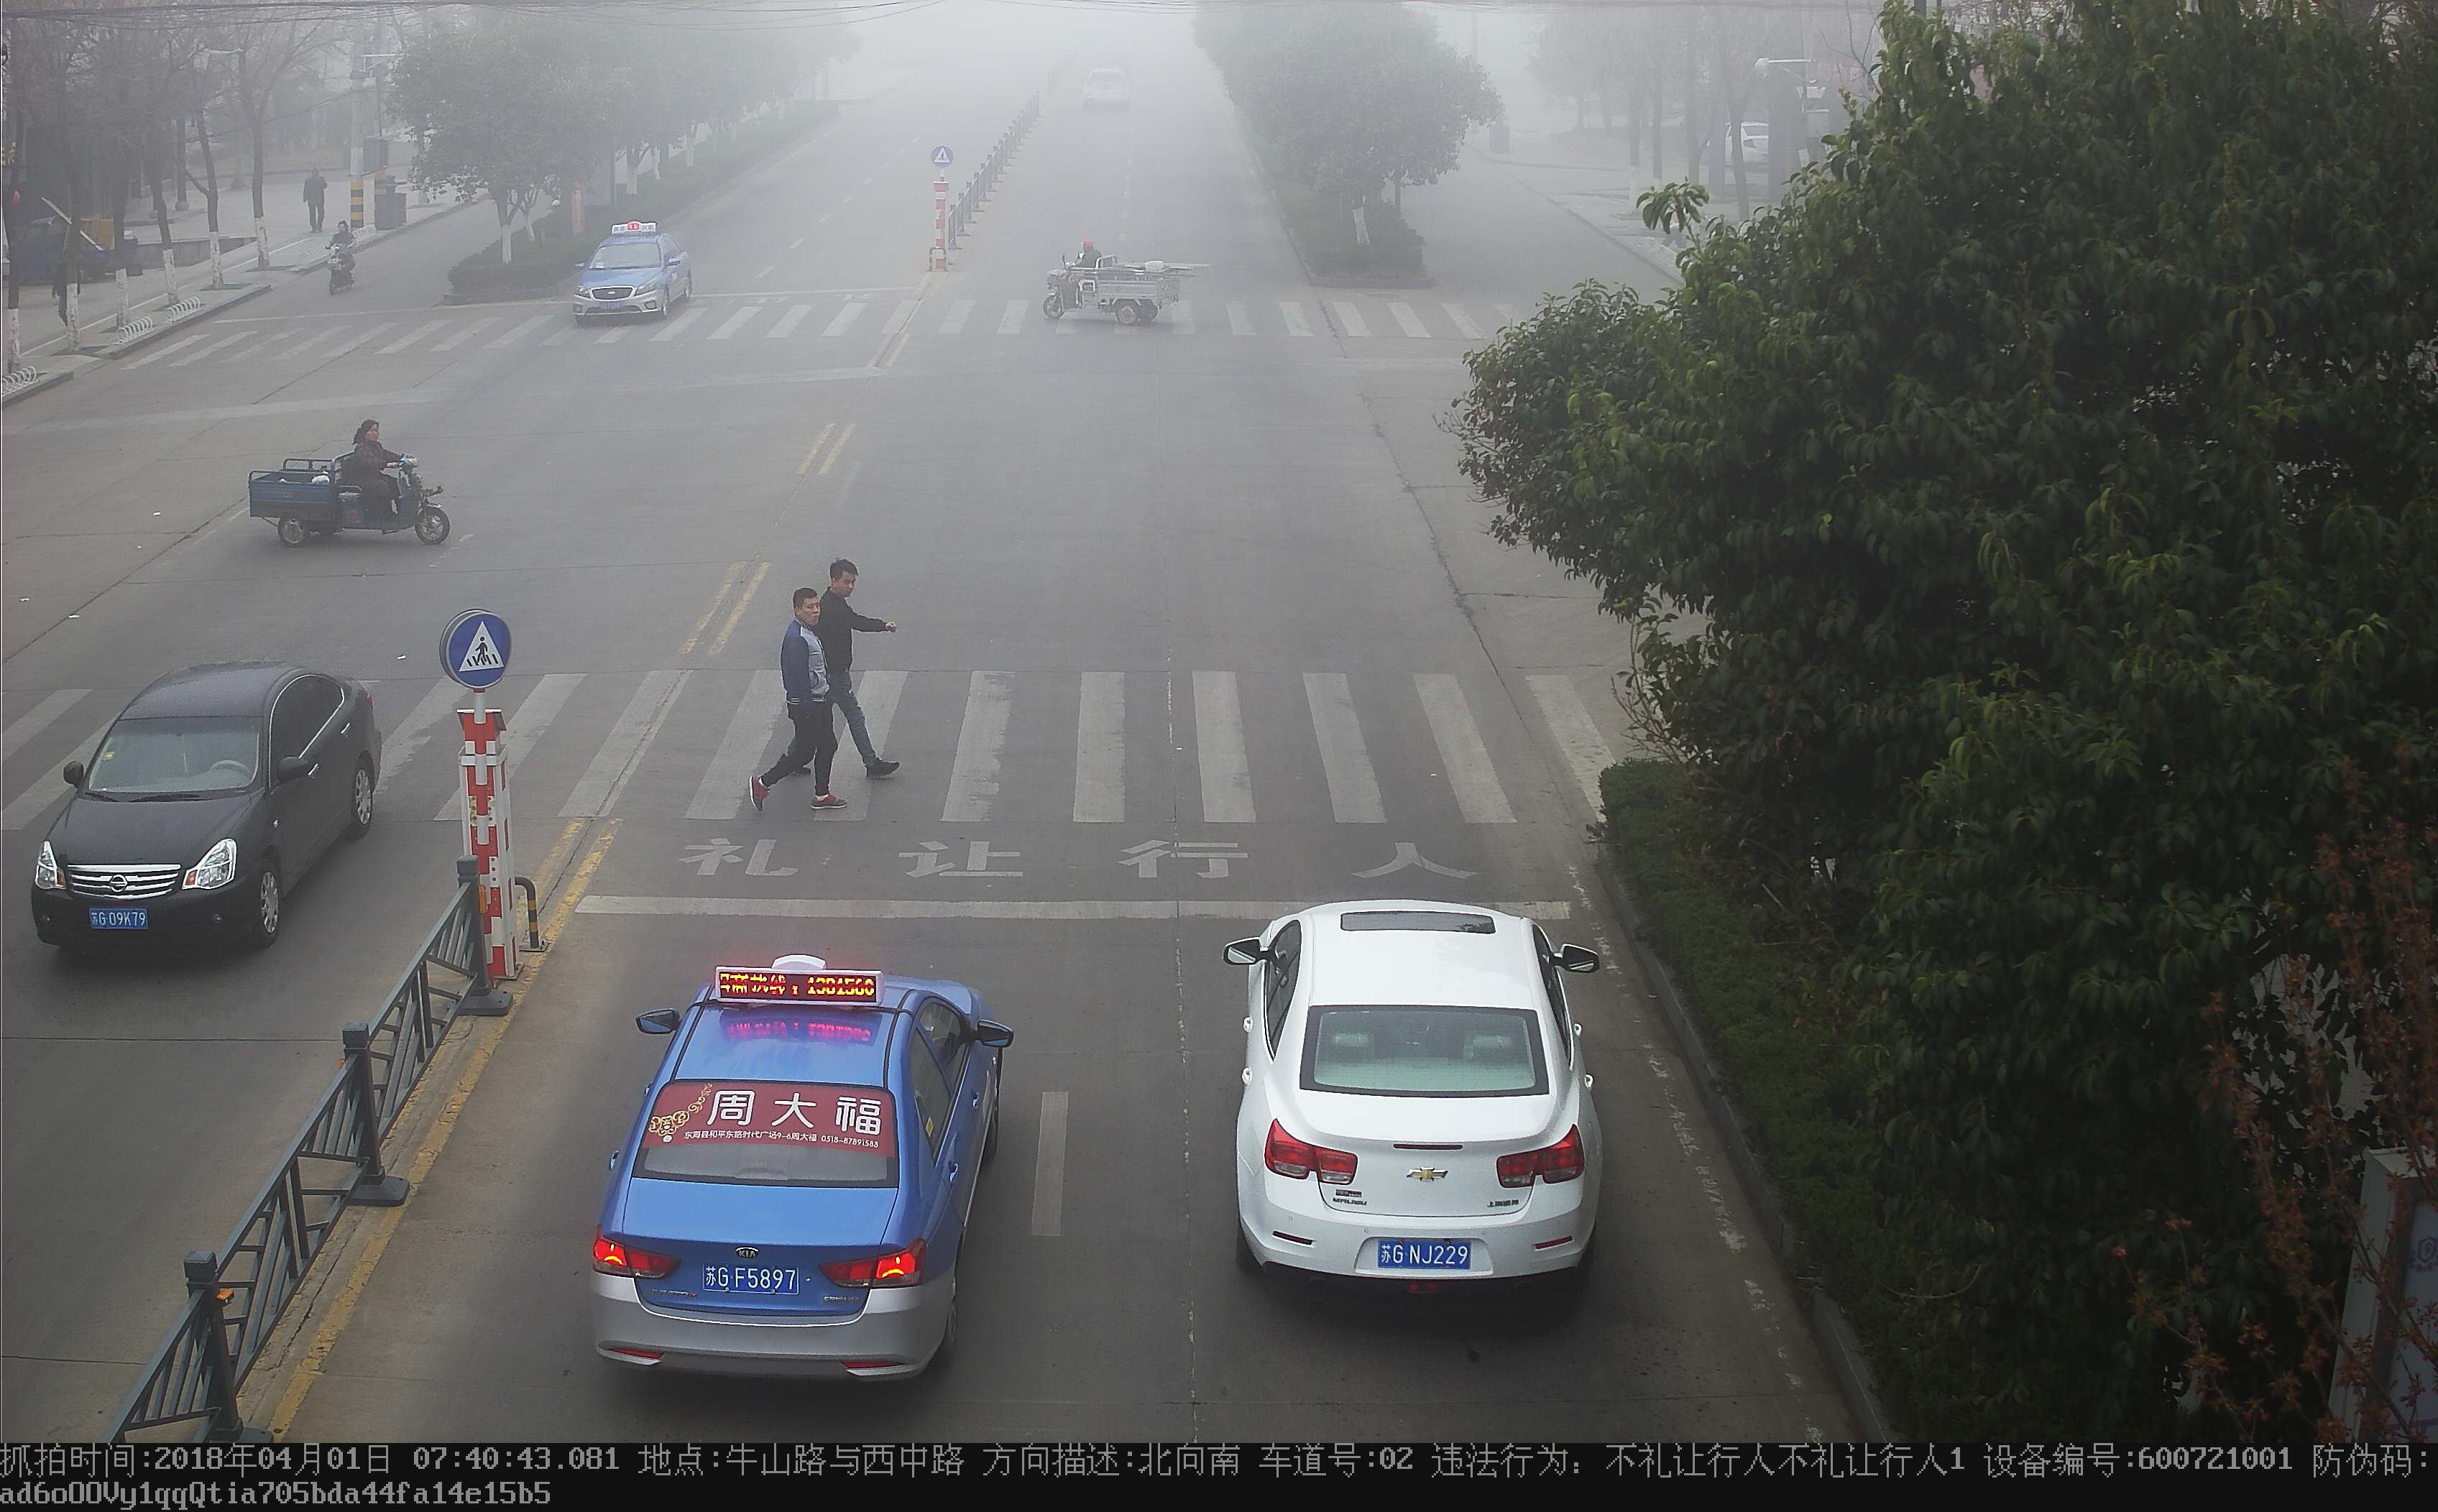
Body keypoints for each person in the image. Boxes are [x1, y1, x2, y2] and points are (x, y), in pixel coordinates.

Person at [750, 589, 845, 812]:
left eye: (816, 606)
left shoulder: (807, 631)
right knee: (805, 752)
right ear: (797, 610)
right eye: (809, 607)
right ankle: (763, 783)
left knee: (826, 745)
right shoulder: (797, 638)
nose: (815, 611)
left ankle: (822, 794)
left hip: (817, 700)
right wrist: (805, 707)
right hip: (809, 705)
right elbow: (795, 677)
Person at [816, 558, 901, 780]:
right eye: (847, 582)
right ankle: (871, 762)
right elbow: (857, 622)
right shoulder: (833, 607)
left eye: (853, 582)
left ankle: (793, 756)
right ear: (834, 580)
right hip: (836, 675)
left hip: (828, 674)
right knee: (854, 715)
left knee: (816, 719)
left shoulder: (830, 602)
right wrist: (883, 625)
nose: (851, 587)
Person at [339, 418, 402, 524]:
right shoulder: (362, 447)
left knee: (394, 482)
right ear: (365, 433)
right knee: (382, 486)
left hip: (372, 477)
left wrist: (401, 458)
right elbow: (369, 462)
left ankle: (397, 514)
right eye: (373, 431)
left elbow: (386, 454)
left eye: (376, 430)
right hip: (360, 480)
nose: (376, 433)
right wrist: (386, 464)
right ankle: (385, 515)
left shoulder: (376, 445)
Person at [303, 170, 328, 234]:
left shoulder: (321, 179)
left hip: (320, 199)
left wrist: (320, 181)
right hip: (311, 200)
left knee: (321, 214)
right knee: (312, 214)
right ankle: (314, 228)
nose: (315, 175)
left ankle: (319, 227)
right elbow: (306, 189)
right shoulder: (308, 180)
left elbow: (324, 186)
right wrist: (305, 198)